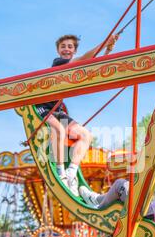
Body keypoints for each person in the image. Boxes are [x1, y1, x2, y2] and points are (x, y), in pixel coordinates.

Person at [79, 122, 155, 233]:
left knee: (120, 185)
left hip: (154, 216)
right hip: (152, 212)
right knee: (129, 186)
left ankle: (99, 211)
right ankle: (97, 199)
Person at [35, 34, 118, 196]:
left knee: (86, 135)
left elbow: (94, 69)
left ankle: (71, 171)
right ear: (58, 50)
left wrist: (107, 51)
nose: (66, 49)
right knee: (58, 130)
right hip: (43, 107)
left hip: (57, 109)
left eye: (70, 47)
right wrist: (104, 42)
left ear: (74, 50)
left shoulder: (74, 69)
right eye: (63, 46)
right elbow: (86, 58)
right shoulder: (58, 63)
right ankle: (61, 171)